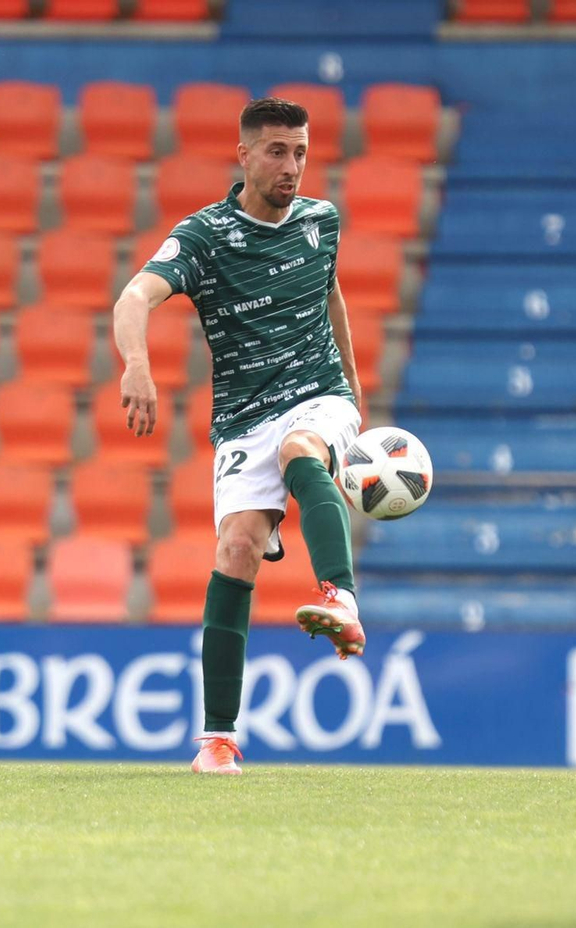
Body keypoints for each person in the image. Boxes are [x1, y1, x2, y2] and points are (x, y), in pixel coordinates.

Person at [113, 98, 366, 776]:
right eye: (278, 152)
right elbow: (133, 297)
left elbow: (329, 292)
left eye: (302, 152)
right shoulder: (205, 236)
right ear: (245, 155)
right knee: (236, 549)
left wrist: (352, 379)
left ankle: (340, 595)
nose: (292, 167)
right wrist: (137, 365)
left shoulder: (321, 220)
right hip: (242, 417)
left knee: (300, 451)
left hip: (317, 395)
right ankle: (217, 742)